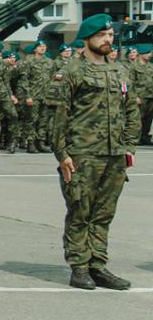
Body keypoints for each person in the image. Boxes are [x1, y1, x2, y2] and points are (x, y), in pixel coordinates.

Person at [57, 14, 138, 290]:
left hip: (114, 155)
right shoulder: (71, 71)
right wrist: (62, 153)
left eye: (110, 36)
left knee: (104, 213)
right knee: (80, 210)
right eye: (102, 36)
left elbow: (131, 112)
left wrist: (129, 146)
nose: (108, 40)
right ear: (87, 38)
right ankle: (79, 267)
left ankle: (98, 265)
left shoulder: (120, 71)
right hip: (82, 154)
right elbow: (58, 116)